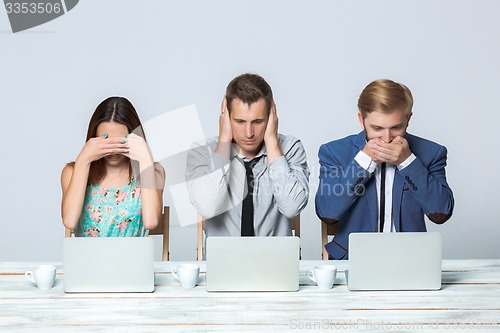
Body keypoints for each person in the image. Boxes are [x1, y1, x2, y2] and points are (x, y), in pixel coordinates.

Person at [315, 79, 454, 259]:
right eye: (377, 128)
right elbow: (327, 212)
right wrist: (364, 161)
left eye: (396, 127)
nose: (386, 138)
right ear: (361, 120)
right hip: (353, 259)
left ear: (408, 119)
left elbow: (441, 213)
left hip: (411, 259)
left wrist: (408, 162)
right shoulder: (334, 153)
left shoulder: (431, 153)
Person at [186, 73, 310, 237]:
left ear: (271, 118)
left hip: (275, 260)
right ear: (226, 117)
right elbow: (208, 207)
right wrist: (224, 140)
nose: (249, 133)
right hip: (223, 261)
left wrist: (272, 141)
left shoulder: (290, 148)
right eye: (240, 121)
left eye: (258, 122)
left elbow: (292, 207)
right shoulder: (202, 151)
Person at [61, 96, 165, 237]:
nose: (113, 150)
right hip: (86, 258)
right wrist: (83, 160)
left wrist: (146, 159)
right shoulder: (73, 172)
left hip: (134, 257)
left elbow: (151, 221)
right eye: (106, 141)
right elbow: (69, 221)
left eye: (121, 142)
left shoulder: (153, 173)